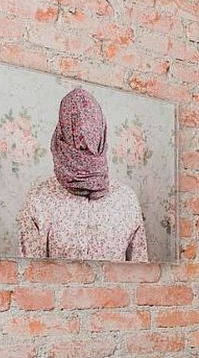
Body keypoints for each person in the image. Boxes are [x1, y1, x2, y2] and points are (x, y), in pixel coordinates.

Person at [17, 87, 148, 262]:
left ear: (60, 135)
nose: (83, 140)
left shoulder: (126, 200)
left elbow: (141, 280)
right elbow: (29, 280)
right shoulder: (39, 199)